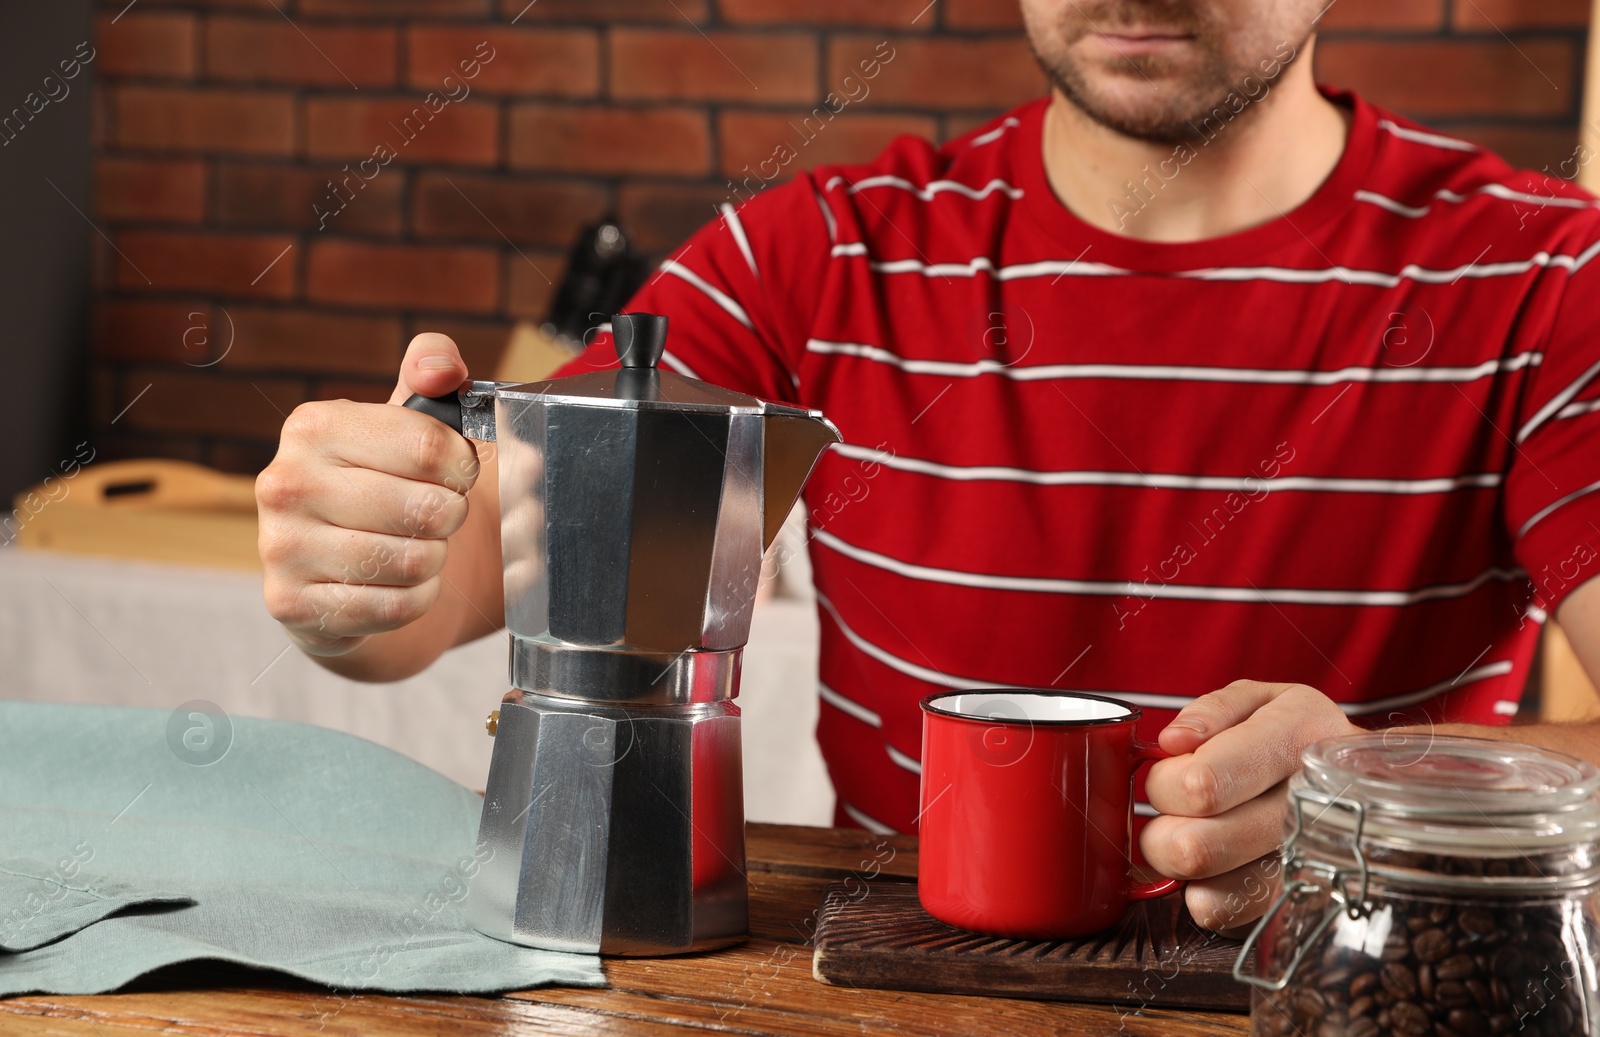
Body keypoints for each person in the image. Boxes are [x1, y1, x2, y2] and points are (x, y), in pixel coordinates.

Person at [255, 0, 1600, 934]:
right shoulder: (818, 255)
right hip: (873, 1014)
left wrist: (1382, 792)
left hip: (1350, 1008)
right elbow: (448, 581)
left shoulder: (1544, 278)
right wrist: (353, 558)